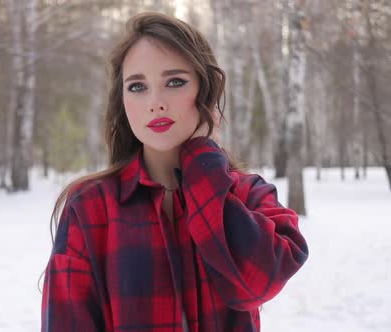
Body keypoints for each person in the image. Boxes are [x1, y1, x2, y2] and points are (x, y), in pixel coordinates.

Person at [41, 12, 308, 332]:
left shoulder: (249, 195)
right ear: (122, 101)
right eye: (137, 86)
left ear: (205, 91)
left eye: (175, 82)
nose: (155, 102)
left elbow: (255, 284)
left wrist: (203, 167)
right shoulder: (90, 206)